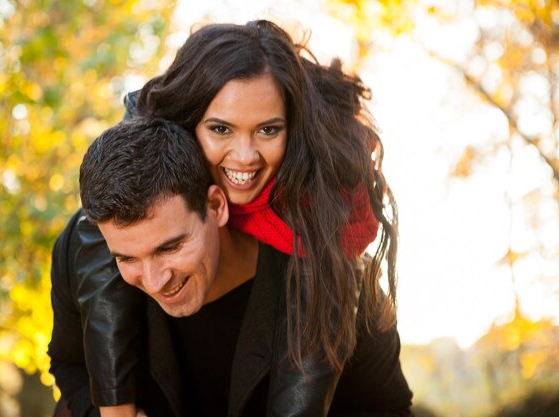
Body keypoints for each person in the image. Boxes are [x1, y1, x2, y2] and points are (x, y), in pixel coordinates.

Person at [48, 19, 408, 416]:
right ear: (186, 121)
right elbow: (69, 363)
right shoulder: (104, 230)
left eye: (268, 130)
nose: (244, 157)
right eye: (220, 128)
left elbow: (387, 405)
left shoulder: (329, 243)